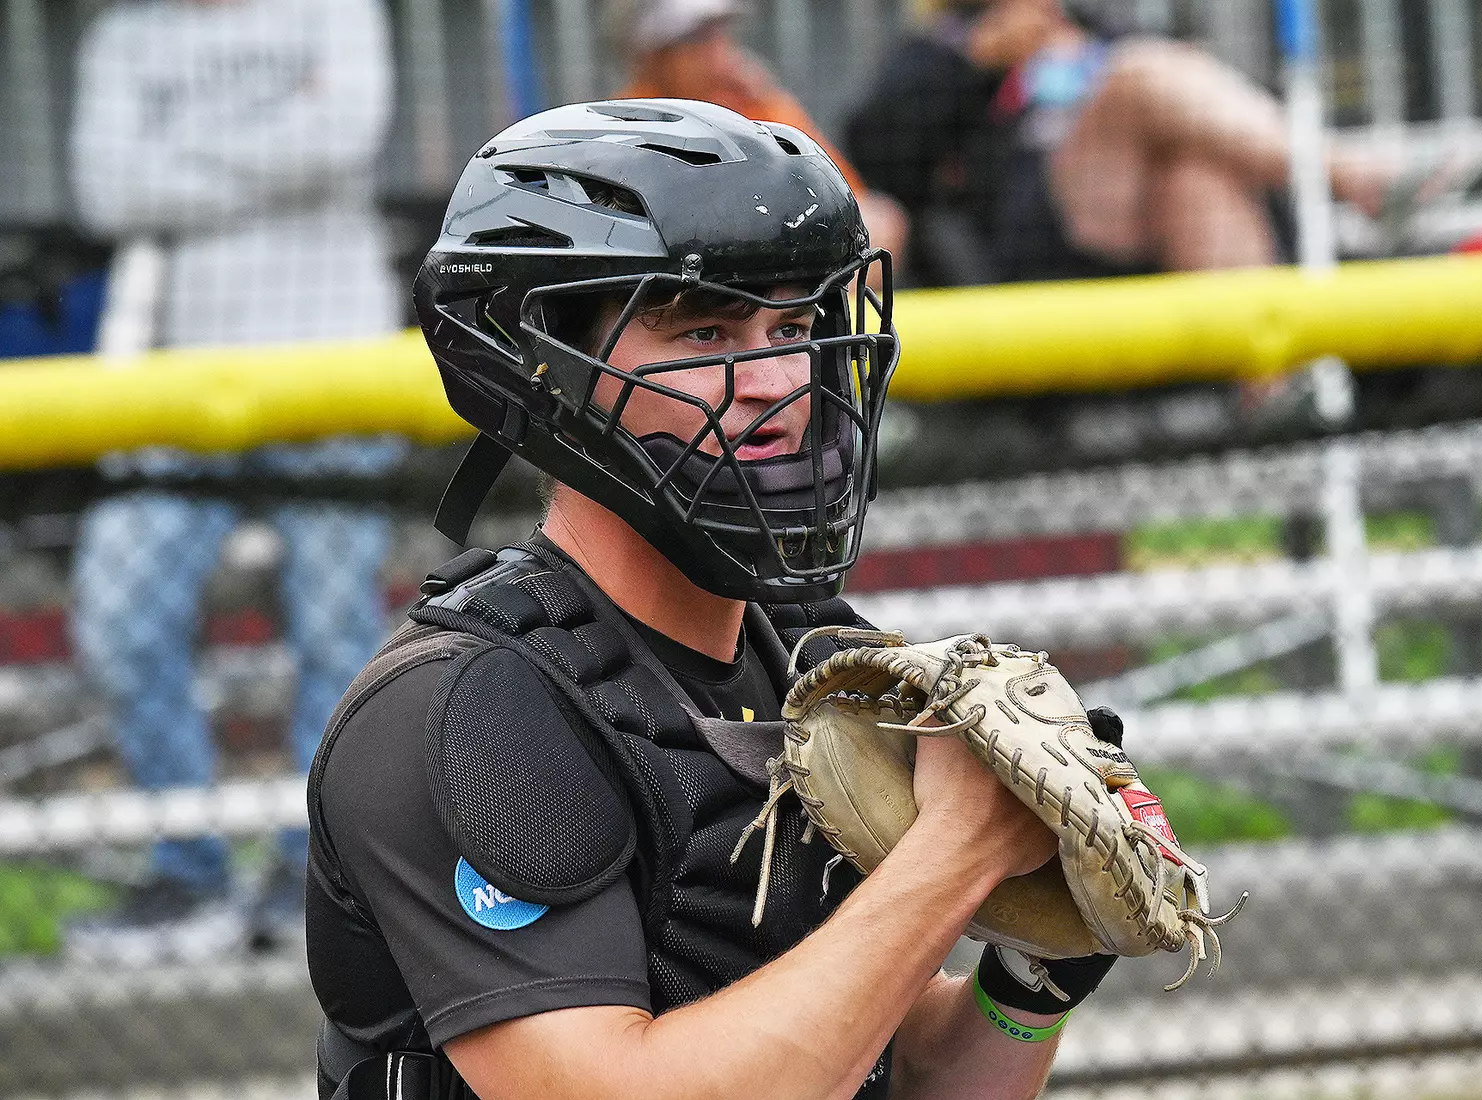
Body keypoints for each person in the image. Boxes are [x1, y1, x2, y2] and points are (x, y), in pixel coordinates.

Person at [306, 99, 1124, 1100]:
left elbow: (896, 1067)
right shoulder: (464, 712)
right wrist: (953, 854)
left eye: (793, 324)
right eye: (704, 330)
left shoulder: (813, 654)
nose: (777, 378)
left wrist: (1035, 972)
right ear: (545, 366)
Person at [62, 0, 402, 964]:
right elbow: (105, 191)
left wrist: (180, 166)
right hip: (179, 375)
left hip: (335, 367)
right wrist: (274, 146)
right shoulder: (126, 35)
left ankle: (315, 878)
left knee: (336, 631)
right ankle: (192, 873)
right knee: (118, 613)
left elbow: (344, 137)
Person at [847, 0, 1407, 281]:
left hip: (1155, 224)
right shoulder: (944, 49)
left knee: (1194, 172)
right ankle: (1349, 175)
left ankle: (1273, 395)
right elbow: (876, 151)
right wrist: (975, 62)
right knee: (1140, 77)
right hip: (1039, 234)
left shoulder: (1100, 28)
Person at [609, 0, 908, 269]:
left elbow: (841, 194)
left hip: (768, 253)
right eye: (697, 38)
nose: (716, 50)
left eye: (719, 33)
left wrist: (768, 98)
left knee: (881, 220)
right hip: (690, 268)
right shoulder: (633, 116)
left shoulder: (749, 101)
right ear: (652, 57)